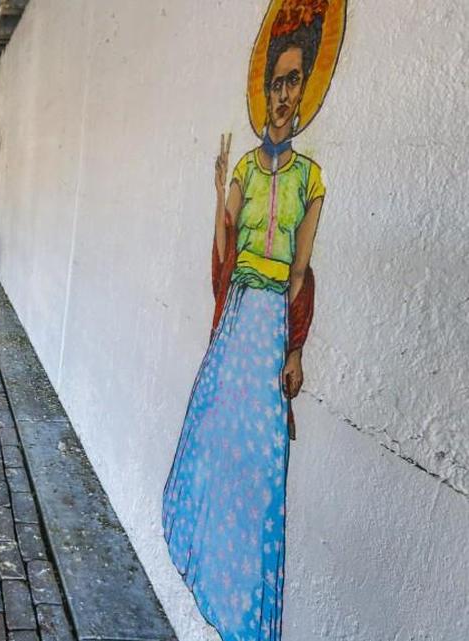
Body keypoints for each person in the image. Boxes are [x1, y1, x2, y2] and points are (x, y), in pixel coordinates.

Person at [161, 1, 344, 639]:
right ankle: (203, 568)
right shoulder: (243, 168)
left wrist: (293, 350)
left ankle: (246, 617)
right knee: (210, 446)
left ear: (306, 90)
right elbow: (226, 244)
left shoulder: (311, 179)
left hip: (268, 327)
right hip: (236, 317)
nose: (284, 94)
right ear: (265, 91)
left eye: (295, 82)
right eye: (276, 82)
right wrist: (218, 194)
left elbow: (299, 273)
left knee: (261, 475)